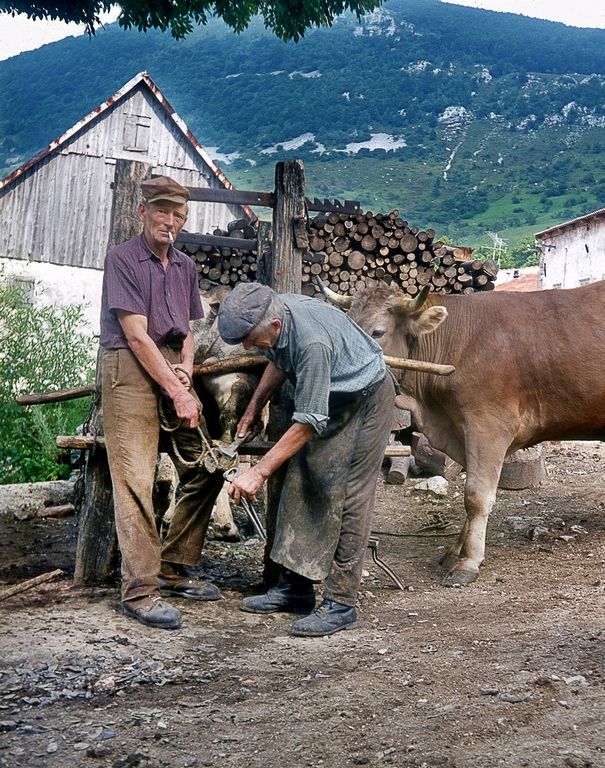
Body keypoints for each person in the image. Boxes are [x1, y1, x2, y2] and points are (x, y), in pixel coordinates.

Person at [217, 282, 395, 637]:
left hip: (367, 399)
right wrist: (254, 406)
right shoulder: (277, 312)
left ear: (274, 325)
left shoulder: (312, 343)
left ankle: (341, 602)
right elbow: (279, 358)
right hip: (332, 396)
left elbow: (311, 421)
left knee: (350, 497)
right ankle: (297, 588)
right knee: (302, 480)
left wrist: (259, 472)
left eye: (249, 340)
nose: (248, 348)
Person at [99, 175, 225, 630]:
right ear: (143, 212)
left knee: (208, 466)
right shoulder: (122, 259)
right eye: (162, 212)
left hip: (171, 364)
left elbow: (188, 330)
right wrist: (176, 391)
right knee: (135, 478)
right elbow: (135, 335)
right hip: (130, 369)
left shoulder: (186, 266)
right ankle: (140, 590)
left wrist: (186, 371)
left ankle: (173, 566)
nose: (170, 222)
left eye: (178, 216)